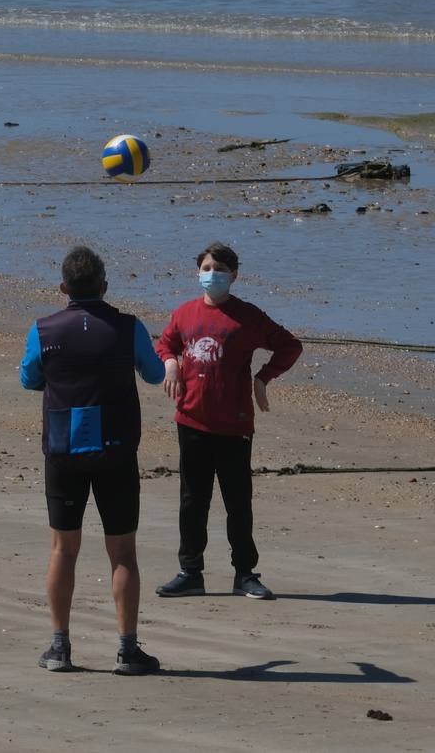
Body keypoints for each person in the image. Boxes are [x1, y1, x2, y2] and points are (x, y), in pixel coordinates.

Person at [19, 246, 165, 675]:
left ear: (63, 288)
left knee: (64, 549)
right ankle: (128, 649)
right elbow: (155, 374)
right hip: (115, 448)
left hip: (65, 448)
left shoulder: (44, 329)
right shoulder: (127, 326)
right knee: (122, 551)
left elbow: (29, 378)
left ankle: (60, 647)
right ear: (104, 286)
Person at [155, 242, 302, 601]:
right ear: (197, 272)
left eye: (219, 270)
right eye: (206, 268)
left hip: (234, 425)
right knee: (193, 500)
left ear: (234, 276)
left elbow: (289, 346)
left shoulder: (248, 317)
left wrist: (263, 378)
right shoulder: (185, 313)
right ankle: (190, 572)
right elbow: (164, 343)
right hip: (191, 420)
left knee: (238, 501)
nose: (212, 275)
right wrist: (171, 363)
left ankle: (245, 574)